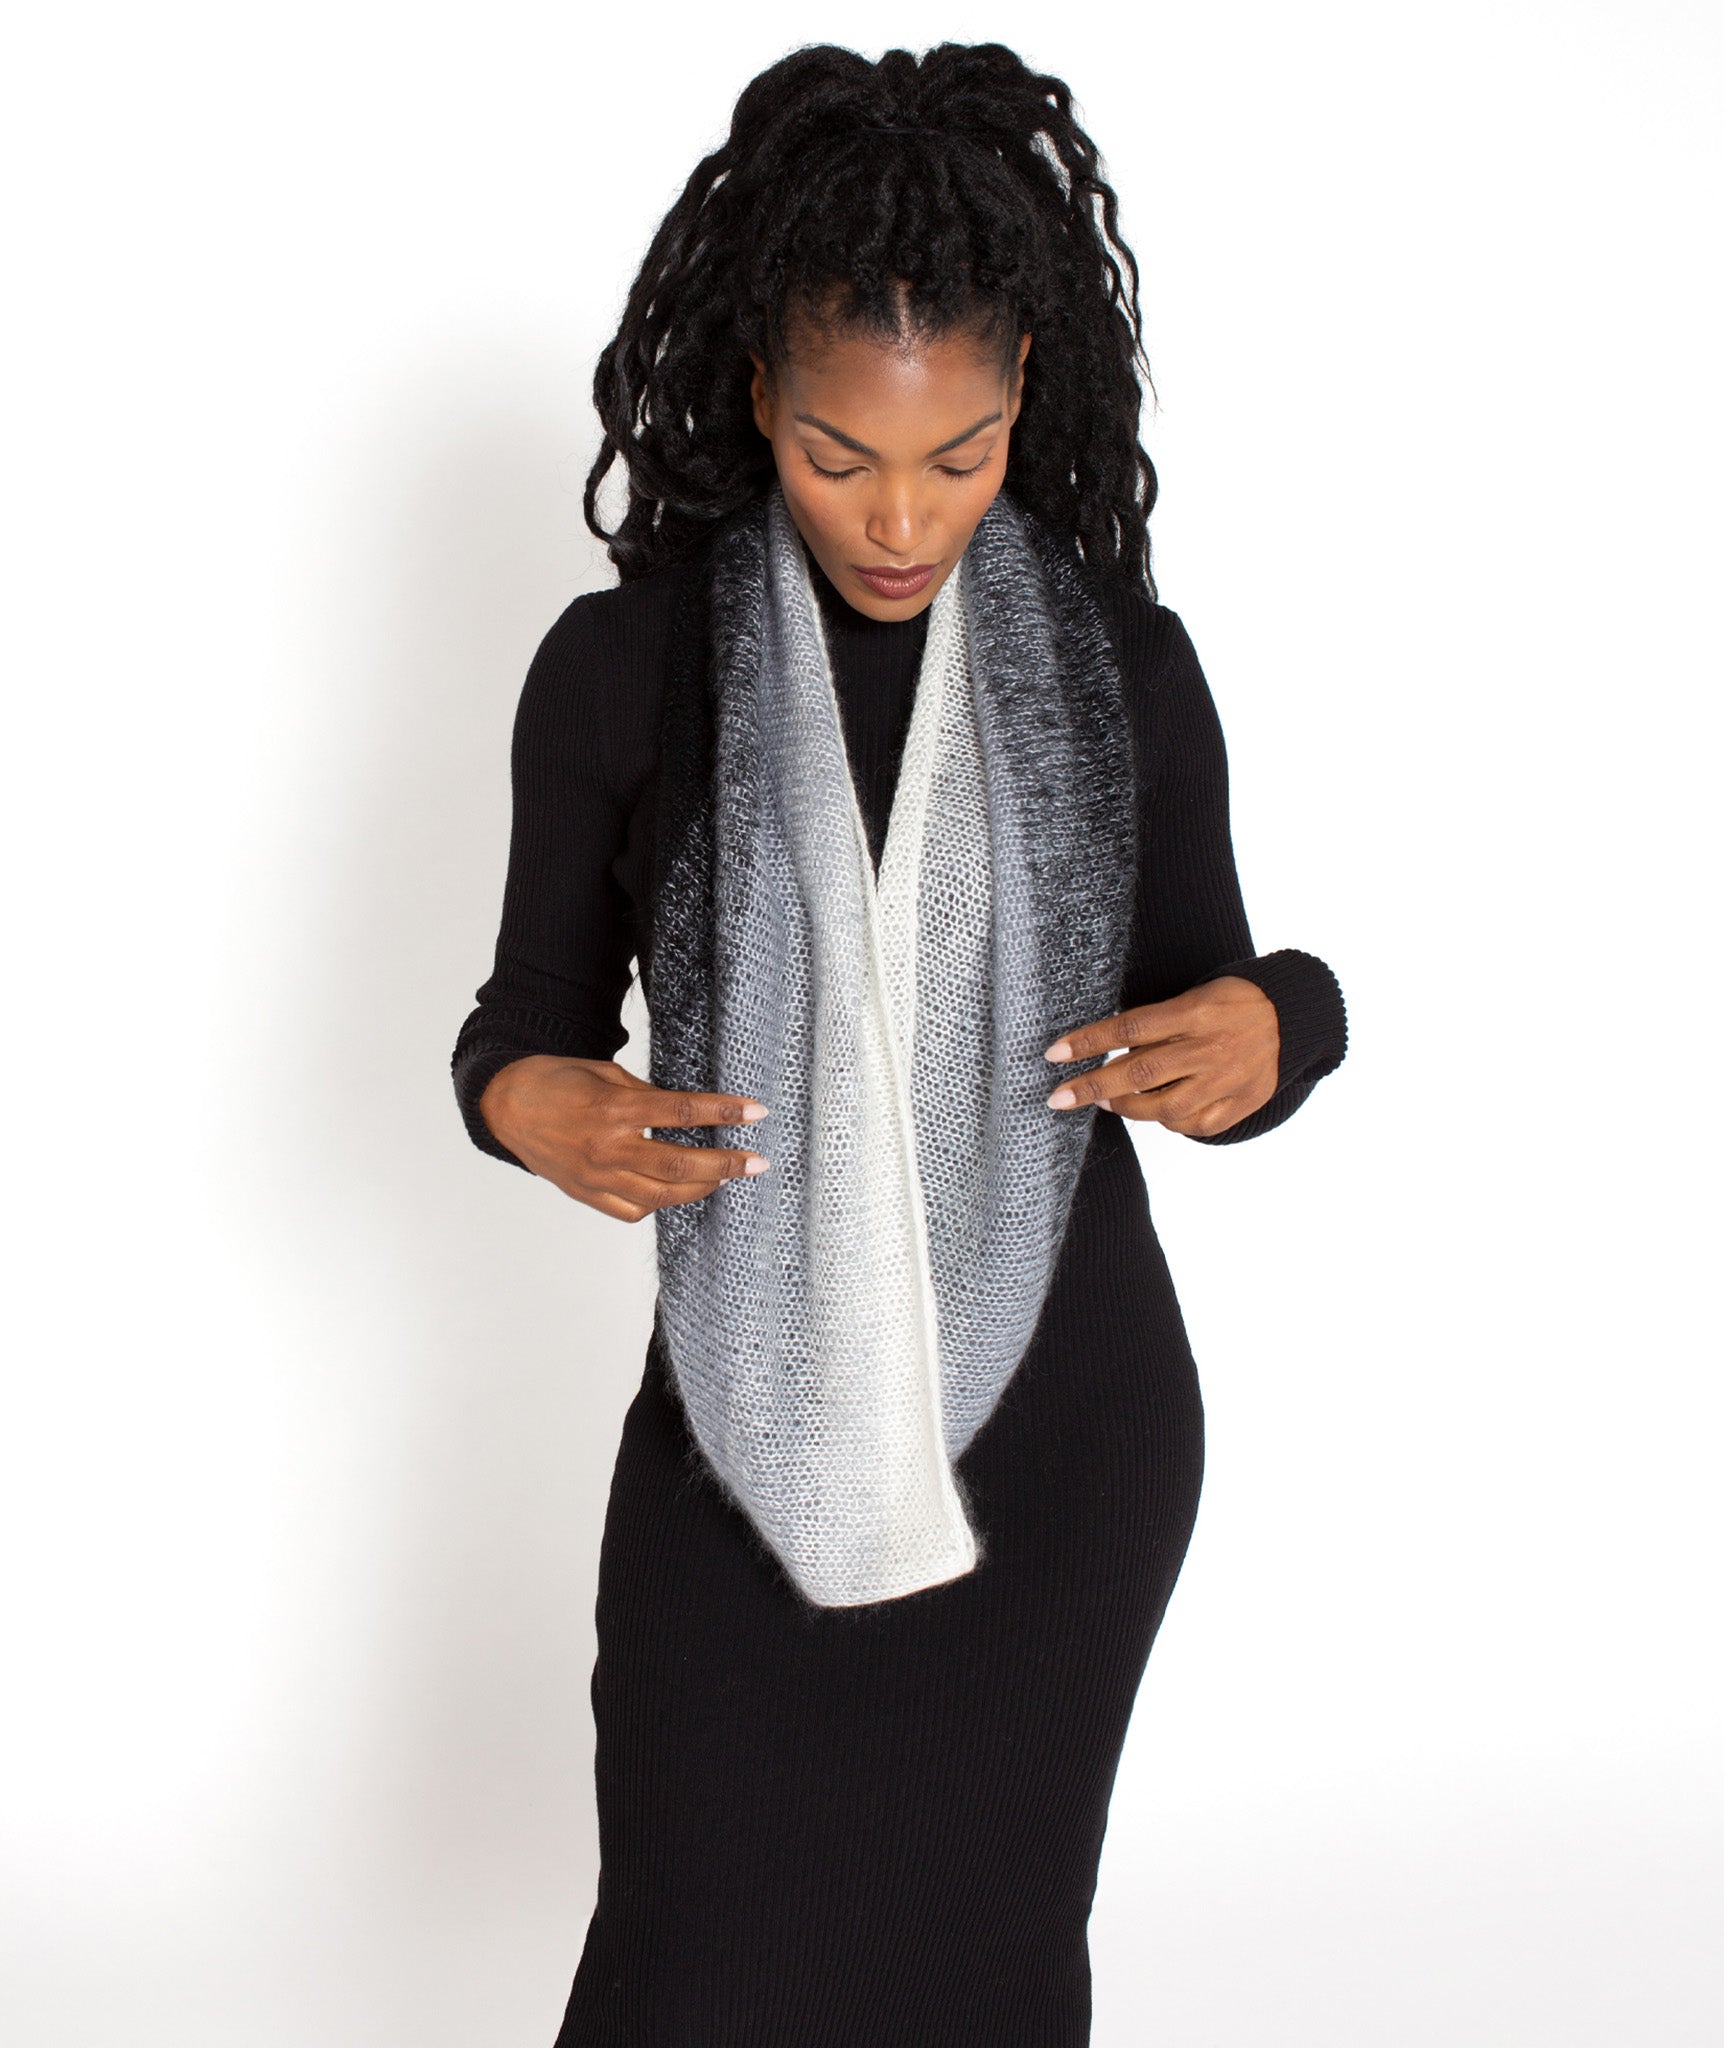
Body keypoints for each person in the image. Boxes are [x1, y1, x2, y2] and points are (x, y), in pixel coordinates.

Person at [452, 40, 1348, 2046]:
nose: (899, 514)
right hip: (743, 1420)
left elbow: (1226, 1011)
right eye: (838, 451)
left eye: (959, 454)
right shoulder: (622, 670)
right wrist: (533, 1103)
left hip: (1066, 1437)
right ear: (755, 397)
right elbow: (526, 1024)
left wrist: (1280, 1022)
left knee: (981, 1988)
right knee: (686, 1973)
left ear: (1029, 393)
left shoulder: (1117, 669)